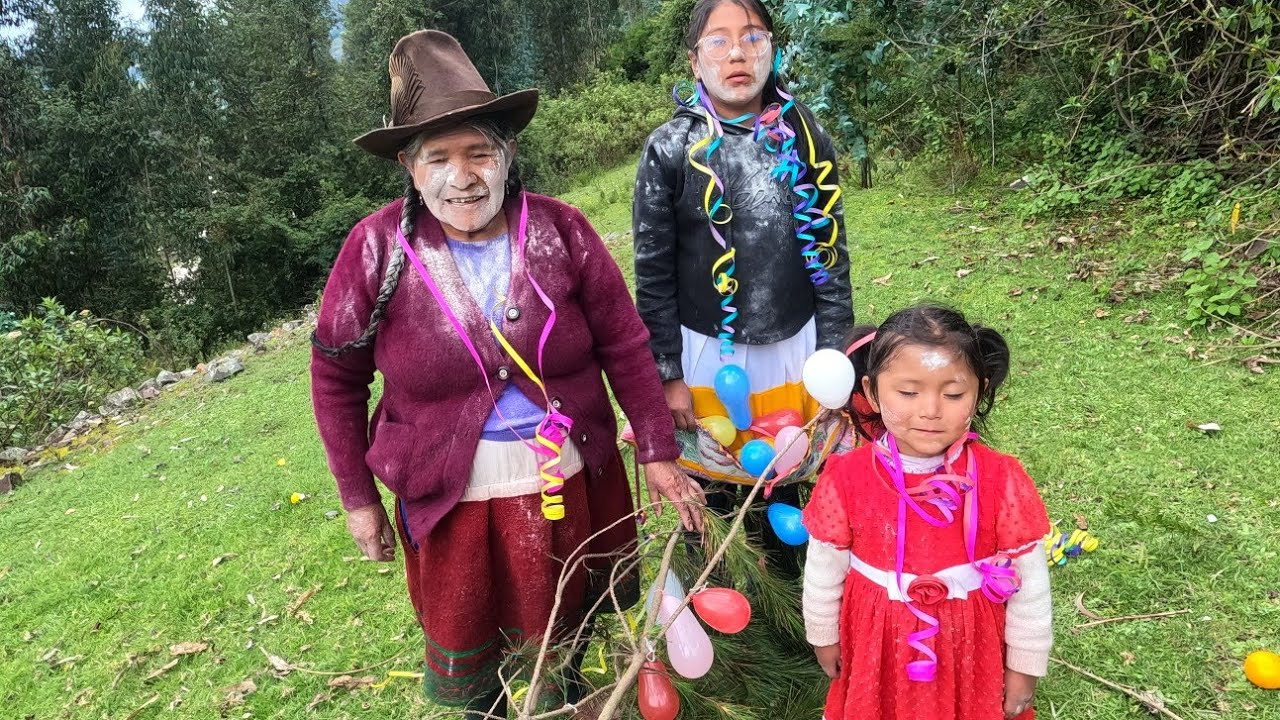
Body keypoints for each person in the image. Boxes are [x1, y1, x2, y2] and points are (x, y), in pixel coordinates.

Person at [310, 30, 704, 718]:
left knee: (570, 617)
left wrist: (658, 448)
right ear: (409, 165)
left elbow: (624, 343)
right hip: (452, 499)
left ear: (508, 154)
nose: (462, 176)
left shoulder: (562, 230)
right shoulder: (375, 248)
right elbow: (336, 378)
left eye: (479, 152)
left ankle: (571, 699)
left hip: (570, 484)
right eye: (439, 157)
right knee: (473, 645)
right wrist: (357, 498)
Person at [632, 0, 853, 574]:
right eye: (719, 41)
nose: (737, 53)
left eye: (753, 37)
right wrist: (669, 376)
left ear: (773, 49)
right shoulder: (670, 148)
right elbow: (652, 272)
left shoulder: (805, 135)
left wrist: (836, 357)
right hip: (708, 352)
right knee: (718, 491)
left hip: (795, 348)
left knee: (789, 477)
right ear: (693, 59)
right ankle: (728, 617)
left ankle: (794, 603)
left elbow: (830, 258)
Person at [801, 305, 1053, 720]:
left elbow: (1031, 584)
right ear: (872, 390)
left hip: (970, 649)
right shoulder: (846, 476)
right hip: (877, 647)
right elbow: (823, 569)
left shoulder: (1001, 478)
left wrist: (1025, 666)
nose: (931, 409)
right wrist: (824, 636)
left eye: (953, 394)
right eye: (908, 392)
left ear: (980, 390)